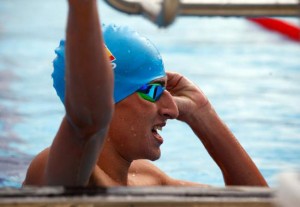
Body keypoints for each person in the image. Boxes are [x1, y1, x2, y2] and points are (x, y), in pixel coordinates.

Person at [23, 0, 268, 187]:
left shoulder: (148, 180)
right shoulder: (56, 170)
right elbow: (88, 116)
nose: (173, 110)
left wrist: (202, 113)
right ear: (107, 98)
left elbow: (259, 203)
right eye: (152, 90)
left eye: (165, 90)